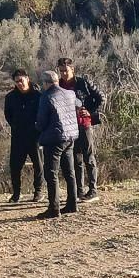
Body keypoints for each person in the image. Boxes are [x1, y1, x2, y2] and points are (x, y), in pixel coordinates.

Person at [56, 56, 105, 204]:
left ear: (73, 69)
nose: (64, 73)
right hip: (68, 127)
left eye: (66, 70)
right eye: (61, 71)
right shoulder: (58, 85)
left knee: (88, 157)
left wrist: (90, 111)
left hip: (84, 124)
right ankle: (78, 191)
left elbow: (100, 97)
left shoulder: (83, 83)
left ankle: (93, 190)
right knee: (75, 159)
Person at [35, 68, 79, 218]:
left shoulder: (46, 97)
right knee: (69, 172)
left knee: (51, 173)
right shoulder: (69, 93)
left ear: (46, 83)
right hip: (70, 137)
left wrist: (38, 129)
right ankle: (73, 204)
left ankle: (54, 208)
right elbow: (78, 105)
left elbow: (41, 122)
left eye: (43, 83)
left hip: (54, 139)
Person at [3, 69, 44, 205]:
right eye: (17, 81)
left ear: (27, 78)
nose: (19, 84)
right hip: (18, 137)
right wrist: (15, 125)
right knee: (15, 166)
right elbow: (7, 114)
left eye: (21, 80)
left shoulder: (38, 95)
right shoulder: (10, 97)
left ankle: (38, 191)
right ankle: (16, 193)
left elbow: (43, 113)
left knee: (38, 165)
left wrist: (38, 127)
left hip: (35, 136)